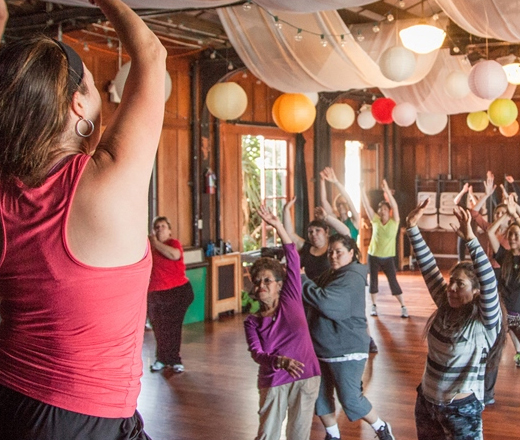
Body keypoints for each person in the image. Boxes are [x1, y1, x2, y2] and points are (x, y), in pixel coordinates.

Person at [0, 0, 166, 438]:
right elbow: (151, 55)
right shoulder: (107, 179)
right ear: (78, 104)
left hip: (14, 399)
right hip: (79, 417)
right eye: (93, 86)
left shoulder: (5, 191)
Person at [406, 200, 502, 440]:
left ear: (476, 292)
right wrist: (412, 228)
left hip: (461, 409)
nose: (452, 288)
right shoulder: (446, 306)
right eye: (452, 281)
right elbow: (429, 269)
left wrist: (471, 239)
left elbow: (489, 281)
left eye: (461, 284)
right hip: (427, 402)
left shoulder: (484, 320)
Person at [302, 234, 395, 440]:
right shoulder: (331, 274)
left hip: (347, 350)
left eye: (339, 252)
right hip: (322, 348)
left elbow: (326, 303)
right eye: (330, 252)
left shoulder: (351, 276)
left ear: (351, 253)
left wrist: (301, 279)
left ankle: (381, 427)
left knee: (351, 399)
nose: (333, 256)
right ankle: (333, 434)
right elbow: (310, 293)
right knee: (320, 398)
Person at [244, 205, 321, 440]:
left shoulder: (290, 298)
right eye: (257, 282)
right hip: (274, 379)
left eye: (267, 280)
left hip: (306, 375)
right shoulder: (252, 321)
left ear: (279, 284)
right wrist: (278, 361)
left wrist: (277, 225)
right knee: (267, 435)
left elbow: (293, 255)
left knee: (298, 436)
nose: (262, 285)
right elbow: (257, 353)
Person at [148, 216, 194, 373]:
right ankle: (161, 359)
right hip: (155, 293)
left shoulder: (173, 243)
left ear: (169, 230)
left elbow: (174, 255)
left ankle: (175, 360)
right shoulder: (150, 248)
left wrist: (155, 243)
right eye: (157, 227)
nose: (160, 229)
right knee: (159, 328)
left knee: (173, 327)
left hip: (177, 291)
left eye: (163, 226)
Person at [361, 179, 408, 318]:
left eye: (385, 209)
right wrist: (362, 190)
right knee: (373, 282)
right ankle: (374, 306)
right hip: (373, 256)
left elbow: (395, 205)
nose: (382, 211)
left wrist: (386, 189)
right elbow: (366, 205)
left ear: (389, 211)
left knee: (393, 282)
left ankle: (403, 306)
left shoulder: (395, 222)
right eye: (380, 209)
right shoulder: (375, 220)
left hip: (388, 258)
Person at [487, 194, 520, 368]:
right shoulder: (504, 256)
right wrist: (506, 215)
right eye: (511, 234)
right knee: (500, 337)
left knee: (515, 332)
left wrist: (516, 215)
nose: (513, 237)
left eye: (517, 234)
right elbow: (491, 232)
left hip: (518, 311)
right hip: (505, 309)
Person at [283, 196, 351, 281]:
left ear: (326, 232)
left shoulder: (333, 247)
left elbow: (346, 232)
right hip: (308, 289)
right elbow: (289, 234)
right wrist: (286, 210)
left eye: (317, 230)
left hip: (327, 290)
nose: (313, 234)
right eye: (310, 232)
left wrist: (326, 218)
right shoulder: (306, 247)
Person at [320, 166, 360, 242]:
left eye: (343, 203)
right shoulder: (334, 219)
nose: (341, 206)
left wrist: (336, 182)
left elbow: (348, 199)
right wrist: (322, 180)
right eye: (338, 204)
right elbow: (324, 200)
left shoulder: (354, 220)